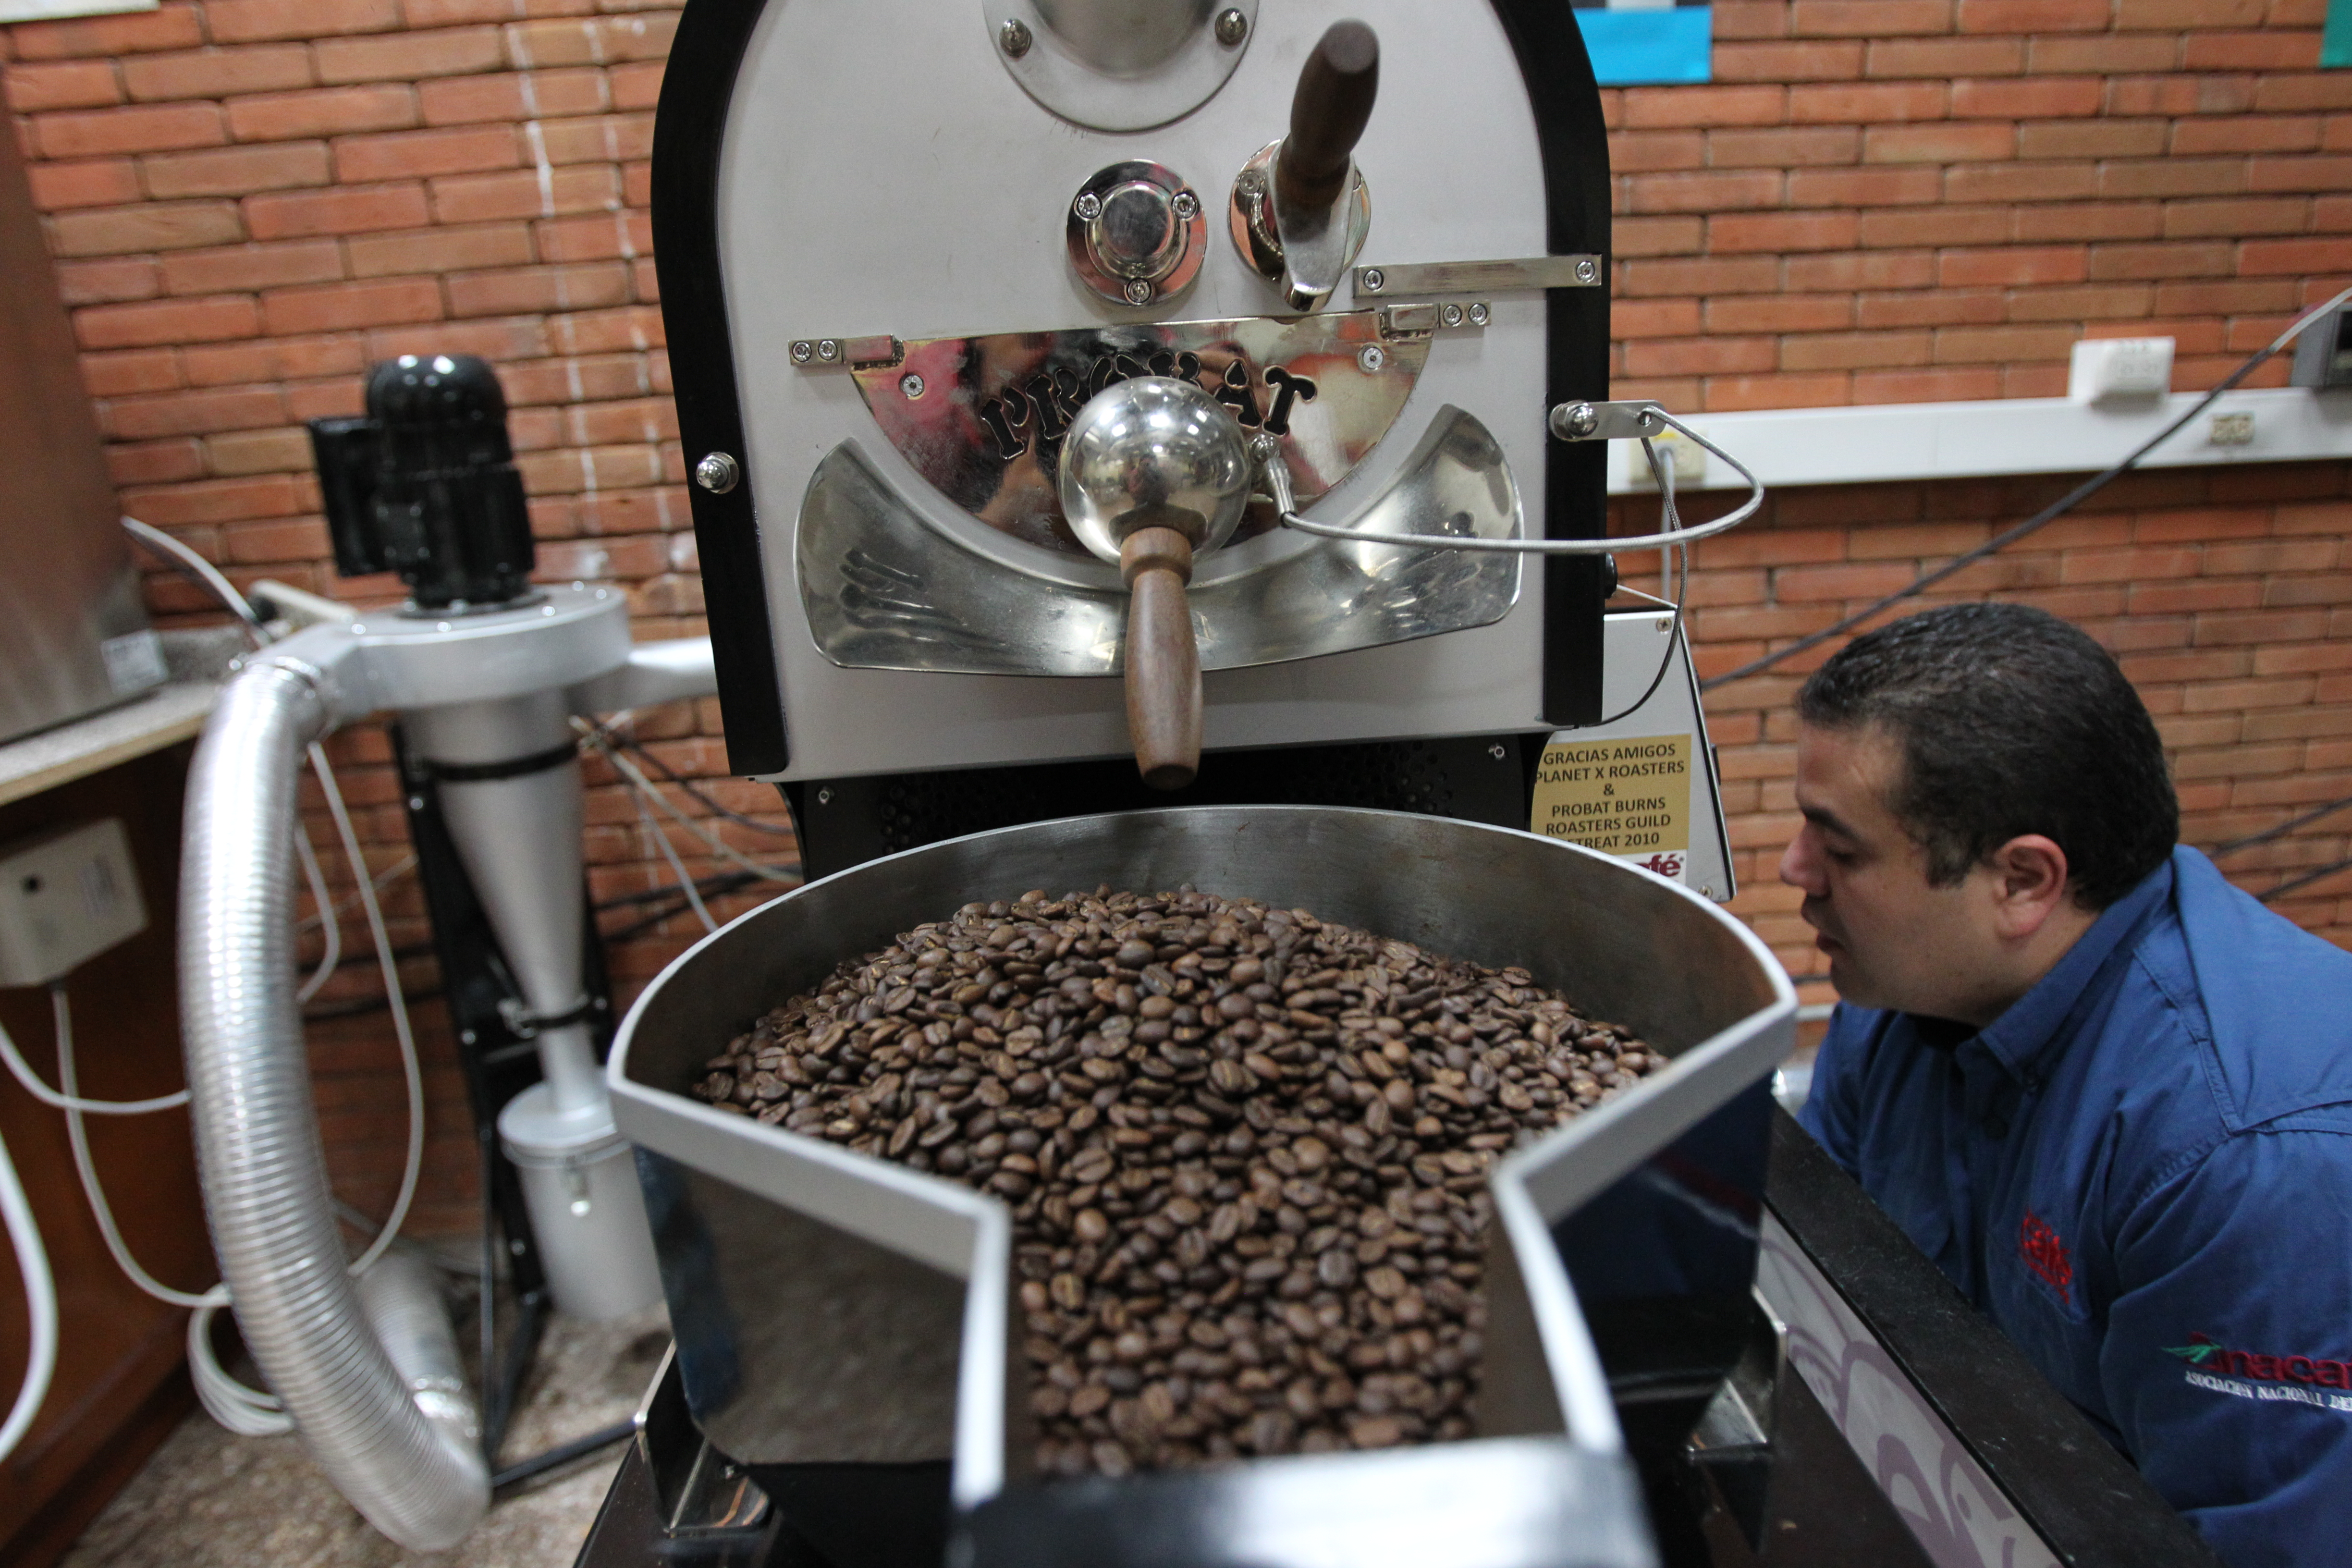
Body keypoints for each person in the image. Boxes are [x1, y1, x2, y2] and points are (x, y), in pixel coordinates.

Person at [1781, 602, 2352, 1568]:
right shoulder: (1897, 1004)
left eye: (1842, 851)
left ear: (2022, 882)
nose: (1794, 870)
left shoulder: (2249, 1160)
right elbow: (1834, 1304)